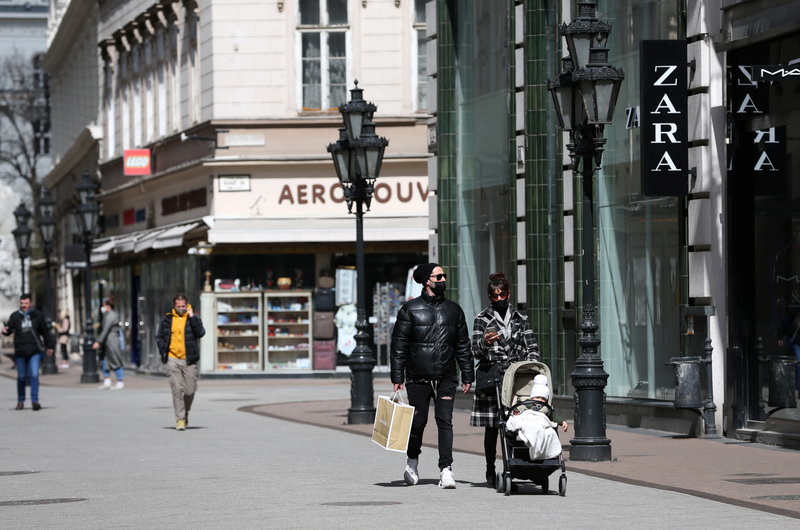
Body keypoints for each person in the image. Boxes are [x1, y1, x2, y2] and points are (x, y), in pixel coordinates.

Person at [391, 263, 473, 489]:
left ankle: (446, 470)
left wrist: (467, 373)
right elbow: (399, 346)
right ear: (427, 280)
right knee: (418, 423)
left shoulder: (454, 310)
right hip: (418, 376)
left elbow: (463, 345)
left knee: (445, 422)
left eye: (444, 276)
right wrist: (397, 376)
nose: (443, 279)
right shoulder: (410, 309)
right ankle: (412, 462)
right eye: (438, 276)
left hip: (446, 376)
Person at [471, 272, 539, 487]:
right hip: (493, 377)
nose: (498, 299)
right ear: (489, 297)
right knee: (493, 427)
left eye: (502, 295)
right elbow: (474, 351)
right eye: (494, 296)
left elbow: (532, 347)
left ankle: (516, 465)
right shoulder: (482, 319)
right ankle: (490, 469)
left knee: (518, 423)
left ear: (509, 294)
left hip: (516, 378)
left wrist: (533, 369)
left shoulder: (522, 319)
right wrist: (485, 342)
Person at [156, 294, 206, 431]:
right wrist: (163, 351)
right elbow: (159, 336)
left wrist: (193, 317)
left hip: (189, 359)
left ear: (187, 305)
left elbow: (201, 333)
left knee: (190, 391)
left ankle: (185, 413)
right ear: (174, 306)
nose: (181, 309)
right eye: (178, 307)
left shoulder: (193, 318)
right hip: (173, 359)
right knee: (177, 390)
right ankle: (180, 420)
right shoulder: (167, 319)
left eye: (183, 306)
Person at [2, 293, 55, 410]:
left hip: (34, 351)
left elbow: (45, 332)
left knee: (34, 375)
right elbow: (9, 329)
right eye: (22, 303)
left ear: (30, 303)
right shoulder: (15, 316)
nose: (24, 306)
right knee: (21, 377)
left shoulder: (38, 315)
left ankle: (34, 401)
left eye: (26, 303)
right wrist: (5, 331)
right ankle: (20, 401)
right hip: (20, 351)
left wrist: (49, 346)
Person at [93, 297, 125, 390]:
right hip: (106, 341)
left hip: (112, 340)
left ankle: (120, 380)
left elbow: (106, 329)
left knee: (115, 359)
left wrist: (98, 341)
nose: (102, 307)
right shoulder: (107, 315)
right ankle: (107, 380)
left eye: (104, 305)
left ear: (108, 306)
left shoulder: (112, 315)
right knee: (104, 360)